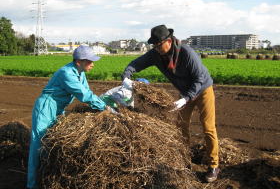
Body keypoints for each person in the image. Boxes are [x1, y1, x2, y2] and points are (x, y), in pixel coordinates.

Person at [122, 25, 220, 183]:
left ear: (168, 40)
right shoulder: (155, 55)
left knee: (208, 127)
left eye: (158, 44)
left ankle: (213, 165)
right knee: (181, 126)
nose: (156, 48)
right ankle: (185, 160)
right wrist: (127, 76)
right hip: (185, 92)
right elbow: (135, 64)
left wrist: (186, 98)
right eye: (154, 45)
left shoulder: (186, 53)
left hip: (203, 90)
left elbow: (199, 79)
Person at [27, 45, 114, 189]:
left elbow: (88, 91)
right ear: (79, 62)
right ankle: (32, 184)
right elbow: (84, 95)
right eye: (89, 61)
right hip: (46, 107)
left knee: (53, 141)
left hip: (58, 108)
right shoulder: (66, 73)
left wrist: (103, 104)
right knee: (39, 144)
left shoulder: (81, 73)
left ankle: (48, 178)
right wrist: (105, 107)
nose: (93, 64)